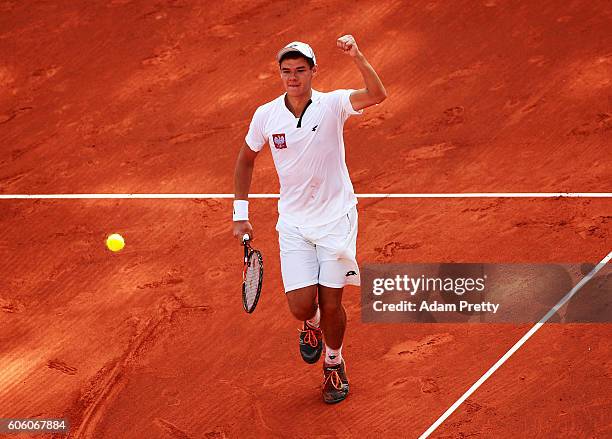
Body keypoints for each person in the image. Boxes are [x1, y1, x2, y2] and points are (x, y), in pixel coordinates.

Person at [233, 35, 387, 404]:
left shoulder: (334, 104)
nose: (293, 77)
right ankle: (311, 327)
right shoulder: (266, 115)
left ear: (314, 71)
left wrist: (358, 55)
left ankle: (333, 364)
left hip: (336, 221)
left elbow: (377, 93)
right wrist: (241, 215)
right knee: (303, 306)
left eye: (300, 70)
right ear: (280, 74)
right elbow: (245, 160)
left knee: (332, 303)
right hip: (294, 226)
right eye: (287, 71)